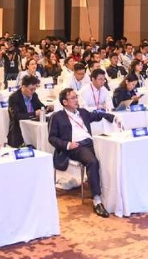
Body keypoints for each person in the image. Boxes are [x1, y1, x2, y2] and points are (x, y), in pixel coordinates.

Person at [48, 88, 118, 218]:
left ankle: (113, 193)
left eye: (76, 97)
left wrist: (113, 117)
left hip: (91, 142)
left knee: (112, 154)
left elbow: (97, 115)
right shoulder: (57, 117)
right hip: (76, 146)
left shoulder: (83, 112)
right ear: (64, 102)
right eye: (73, 98)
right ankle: (97, 200)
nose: (76, 100)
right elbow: (52, 138)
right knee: (92, 162)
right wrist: (67, 144)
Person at [6, 75, 48, 148]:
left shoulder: (34, 95)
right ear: (23, 87)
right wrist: (34, 113)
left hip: (33, 128)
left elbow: (41, 106)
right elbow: (17, 116)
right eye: (31, 89)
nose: (33, 91)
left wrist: (48, 108)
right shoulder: (14, 97)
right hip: (18, 131)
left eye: (35, 89)